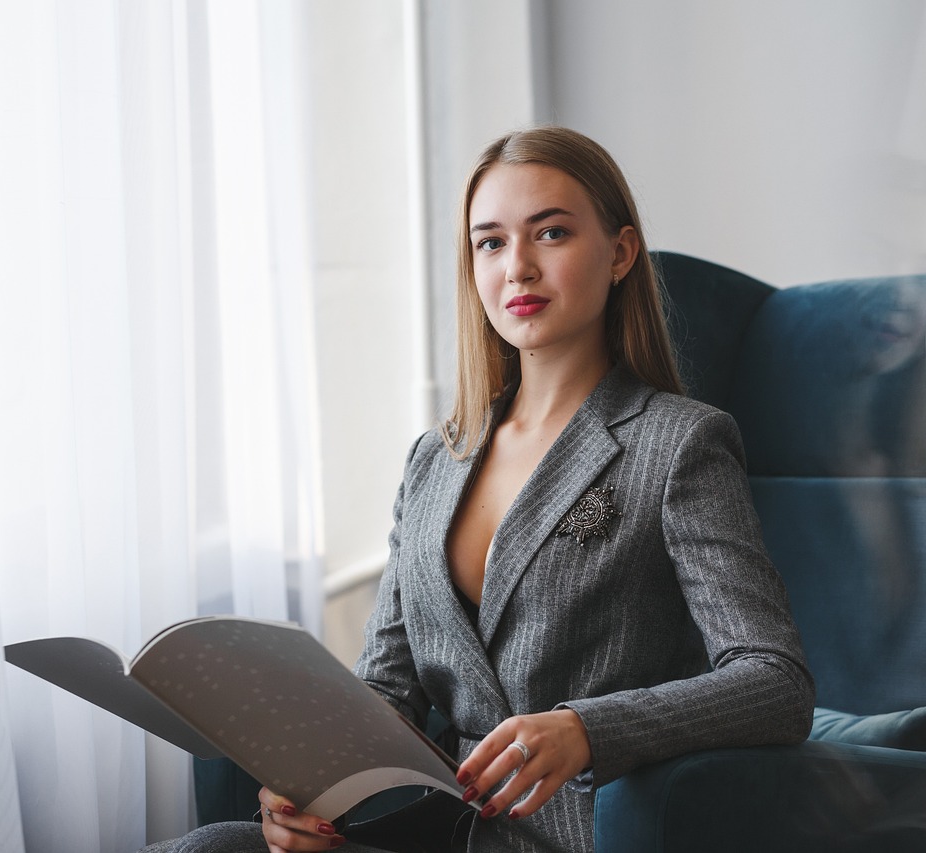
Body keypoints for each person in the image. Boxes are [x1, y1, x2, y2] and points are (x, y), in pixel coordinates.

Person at [143, 126, 814, 853]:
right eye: (490, 243)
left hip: (583, 834)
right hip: (432, 832)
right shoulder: (435, 458)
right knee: (213, 845)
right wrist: (308, 791)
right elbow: (387, 690)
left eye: (550, 233)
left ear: (619, 252)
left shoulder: (680, 442)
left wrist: (588, 729)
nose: (517, 267)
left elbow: (774, 682)